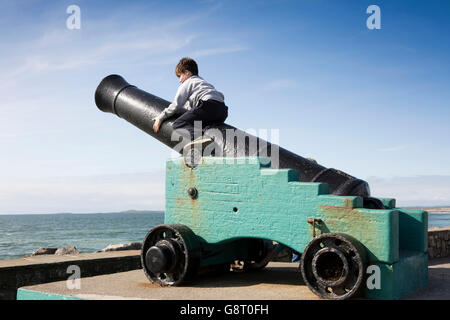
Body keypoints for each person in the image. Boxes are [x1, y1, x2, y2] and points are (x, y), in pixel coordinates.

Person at [152, 57, 228, 142]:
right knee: (201, 125)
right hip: (222, 110)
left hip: (208, 106)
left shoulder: (188, 82)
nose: (180, 80)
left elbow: (176, 105)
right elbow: (192, 107)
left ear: (187, 73)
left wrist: (160, 117)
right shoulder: (202, 82)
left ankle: (202, 141)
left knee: (179, 124)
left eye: (180, 76)